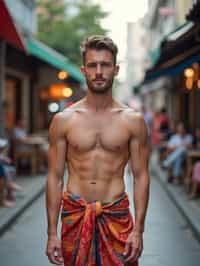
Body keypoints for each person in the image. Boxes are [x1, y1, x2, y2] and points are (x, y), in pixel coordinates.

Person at [45, 35, 150, 266]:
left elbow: (141, 176)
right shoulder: (64, 120)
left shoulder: (133, 121)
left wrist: (139, 231)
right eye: (93, 65)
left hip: (117, 218)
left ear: (116, 69)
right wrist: (52, 233)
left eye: (105, 65)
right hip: (75, 217)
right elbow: (54, 177)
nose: (99, 71)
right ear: (84, 70)